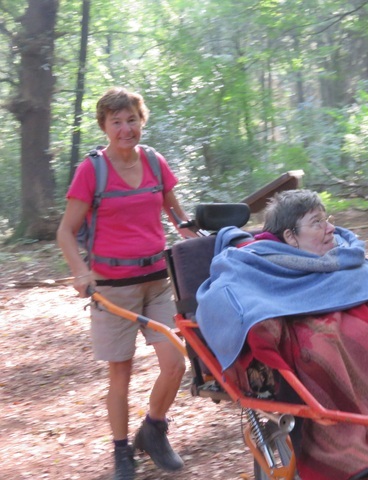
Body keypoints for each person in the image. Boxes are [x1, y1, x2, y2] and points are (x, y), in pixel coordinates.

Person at [195, 189, 368, 480]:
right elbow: (228, 299)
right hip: (299, 340)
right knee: (320, 349)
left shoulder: (342, 256)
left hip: (335, 326)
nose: (330, 228)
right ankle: (343, 454)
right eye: (317, 222)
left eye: (327, 219)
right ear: (290, 237)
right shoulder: (249, 261)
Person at [57, 87, 195, 480]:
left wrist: (207, 245)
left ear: (141, 120)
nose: (125, 128)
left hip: (157, 282)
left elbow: (178, 218)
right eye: (116, 121)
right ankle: (121, 451)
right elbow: (65, 232)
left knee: (175, 362)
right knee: (122, 372)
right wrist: (81, 271)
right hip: (113, 288)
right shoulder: (92, 170)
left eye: (131, 119)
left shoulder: (154, 162)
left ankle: (153, 429)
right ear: (104, 126)